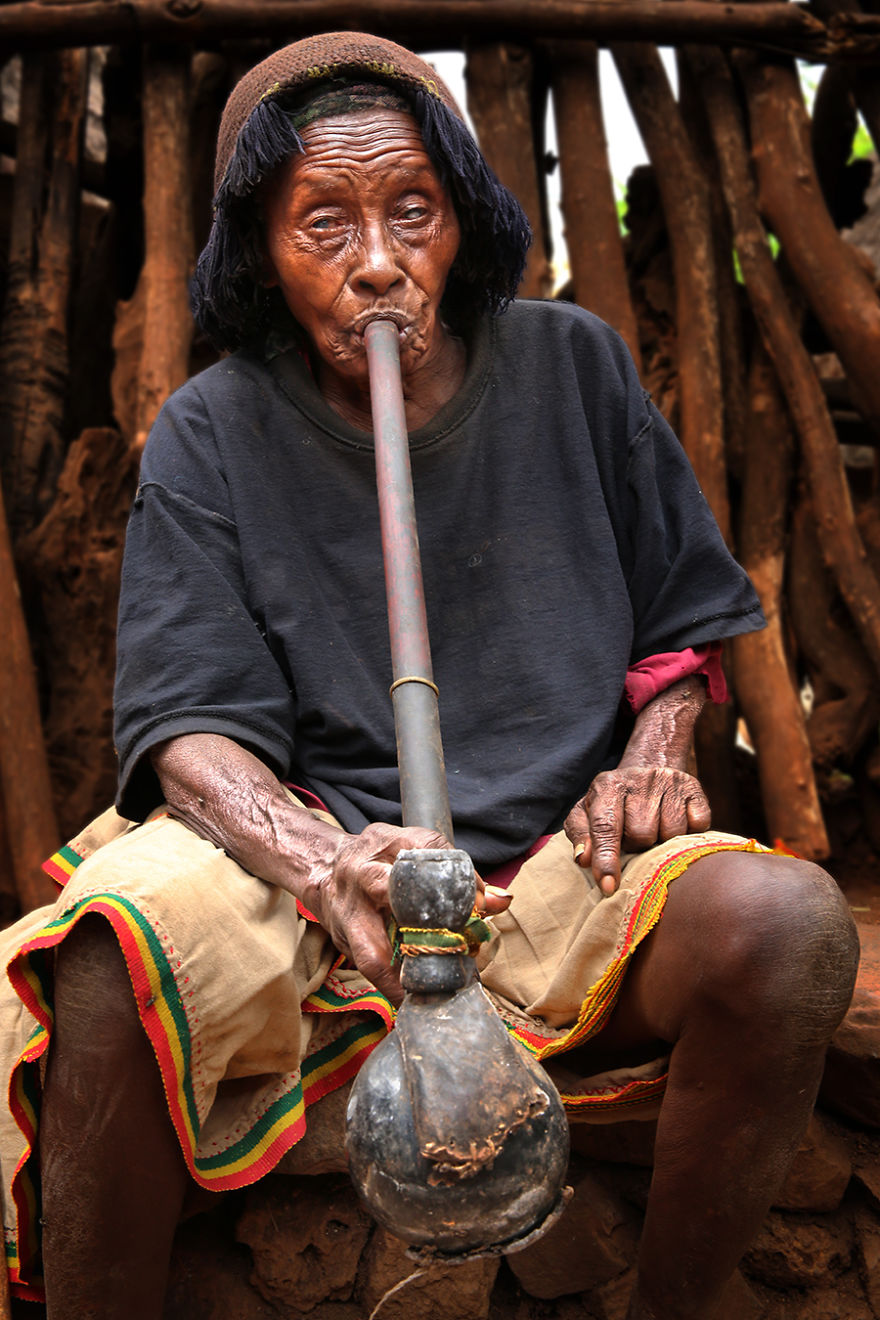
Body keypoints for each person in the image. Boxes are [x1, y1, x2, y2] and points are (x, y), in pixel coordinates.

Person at [0, 31, 858, 1320]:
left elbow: (682, 630)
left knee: (791, 932)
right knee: (109, 952)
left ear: (463, 212)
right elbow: (186, 727)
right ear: (257, 253)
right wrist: (315, 858)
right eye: (323, 226)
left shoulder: (573, 365)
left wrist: (655, 756)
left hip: (567, 870)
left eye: (413, 210)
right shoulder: (211, 429)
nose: (381, 263)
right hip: (307, 882)